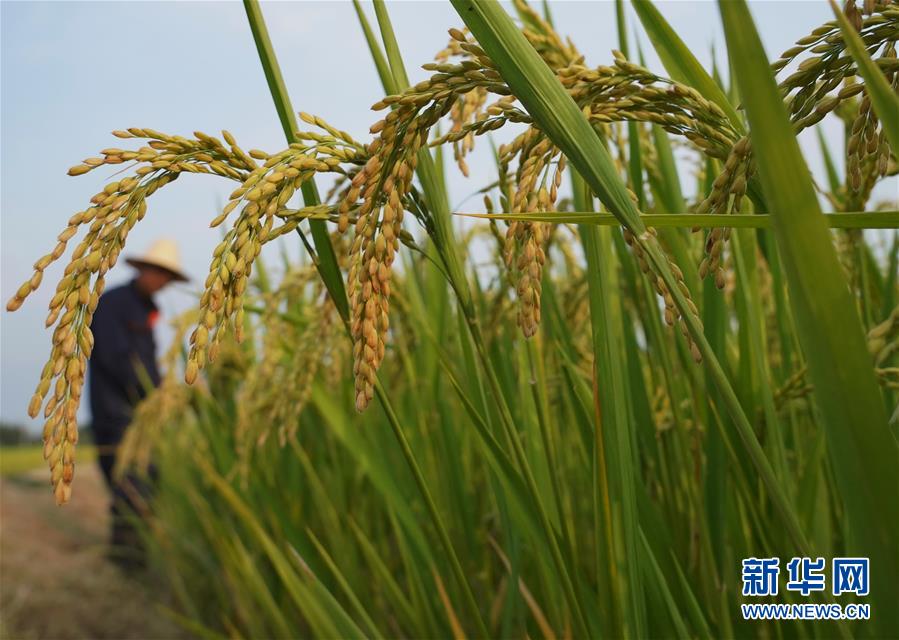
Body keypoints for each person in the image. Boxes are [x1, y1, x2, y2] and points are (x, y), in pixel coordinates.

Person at [88, 238, 188, 565]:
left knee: (144, 484)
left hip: (140, 415)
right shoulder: (114, 304)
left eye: (167, 276)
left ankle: (133, 558)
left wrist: (164, 390)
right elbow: (116, 359)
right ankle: (126, 562)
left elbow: (146, 364)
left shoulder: (148, 310)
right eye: (157, 272)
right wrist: (160, 389)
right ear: (143, 269)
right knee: (130, 488)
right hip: (114, 413)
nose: (161, 281)